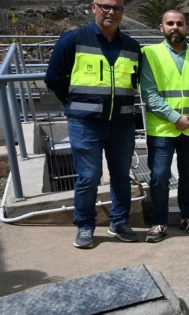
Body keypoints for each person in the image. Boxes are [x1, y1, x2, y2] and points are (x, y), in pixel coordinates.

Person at [45, 0, 141, 248]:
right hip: (85, 123)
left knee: (121, 176)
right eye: (105, 6)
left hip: (122, 123)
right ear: (93, 8)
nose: (111, 12)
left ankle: (119, 222)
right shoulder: (73, 40)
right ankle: (85, 224)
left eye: (117, 8)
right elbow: (53, 78)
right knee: (89, 176)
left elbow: (135, 82)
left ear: (122, 12)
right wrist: (75, 102)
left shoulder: (132, 46)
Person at [140, 9, 189, 242]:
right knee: (159, 176)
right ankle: (159, 222)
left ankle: (188, 217)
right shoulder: (150, 54)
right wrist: (175, 118)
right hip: (162, 128)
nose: (175, 27)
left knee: (188, 175)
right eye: (170, 23)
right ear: (161, 27)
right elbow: (149, 93)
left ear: (187, 27)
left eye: (180, 23)